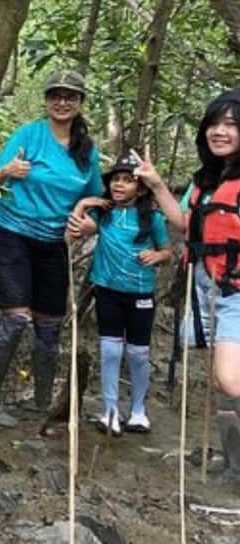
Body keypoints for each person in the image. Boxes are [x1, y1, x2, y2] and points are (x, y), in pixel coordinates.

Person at [0, 70, 104, 428]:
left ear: (80, 103)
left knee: (49, 325)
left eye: (70, 96)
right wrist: (7, 171)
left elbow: (97, 198)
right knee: (17, 318)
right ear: (46, 100)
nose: (62, 102)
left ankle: (42, 402)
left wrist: (90, 222)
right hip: (9, 232)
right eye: (55, 96)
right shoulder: (28, 135)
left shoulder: (87, 150)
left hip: (53, 242)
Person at [136, 90, 240, 484]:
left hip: (234, 290)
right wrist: (157, 183)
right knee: (220, 380)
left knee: (231, 379)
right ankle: (233, 465)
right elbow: (183, 223)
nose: (220, 131)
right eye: (215, 123)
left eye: (231, 124)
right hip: (203, 287)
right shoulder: (207, 180)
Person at [67, 153, 171, 435]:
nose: (120, 185)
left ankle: (138, 411)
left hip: (140, 293)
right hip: (107, 291)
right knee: (110, 351)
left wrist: (156, 255)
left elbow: (168, 252)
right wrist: (83, 204)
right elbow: (72, 235)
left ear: (140, 186)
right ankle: (110, 412)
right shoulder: (104, 212)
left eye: (127, 180)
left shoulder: (153, 218)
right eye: (116, 180)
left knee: (138, 353)